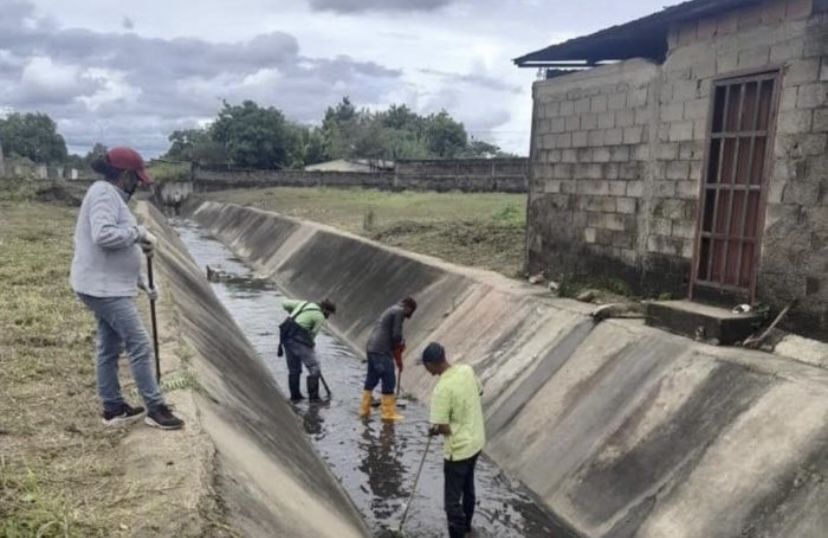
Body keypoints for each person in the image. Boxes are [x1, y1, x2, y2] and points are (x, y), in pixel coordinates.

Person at [70, 146, 184, 430]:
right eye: (136, 178)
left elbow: (116, 246)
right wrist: (138, 233)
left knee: (109, 346)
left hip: (108, 285)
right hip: (102, 288)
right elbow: (104, 236)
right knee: (140, 344)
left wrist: (143, 281)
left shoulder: (111, 196)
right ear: (124, 175)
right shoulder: (104, 194)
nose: (138, 184)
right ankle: (155, 408)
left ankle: (113, 407)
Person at [422, 342, 485, 538]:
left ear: (432, 364)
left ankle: (457, 534)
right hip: (476, 441)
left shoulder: (442, 389)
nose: (425, 369)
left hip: (458, 450)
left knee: (451, 501)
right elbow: (479, 391)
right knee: (468, 487)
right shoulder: (466, 370)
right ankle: (466, 528)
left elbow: (442, 426)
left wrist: (433, 430)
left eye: (425, 365)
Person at [359, 297, 417, 421]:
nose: (407, 316)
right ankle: (388, 413)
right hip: (381, 350)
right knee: (389, 379)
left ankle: (364, 409)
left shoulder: (391, 309)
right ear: (408, 308)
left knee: (372, 378)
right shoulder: (399, 311)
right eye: (409, 313)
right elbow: (396, 335)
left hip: (371, 347)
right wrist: (400, 343)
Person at [278, 298, 337, 402]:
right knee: (315, 367)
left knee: (294, 370)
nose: (329, 316)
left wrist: (294, 314)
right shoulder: (319, 317)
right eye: (329, 313)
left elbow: (284, 303)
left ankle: (295, 397)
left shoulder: (303, 304)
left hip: (287, 338)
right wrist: (310, 349)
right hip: (299, 341)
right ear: (325, 310)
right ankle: (314, 399)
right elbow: (312, 336)